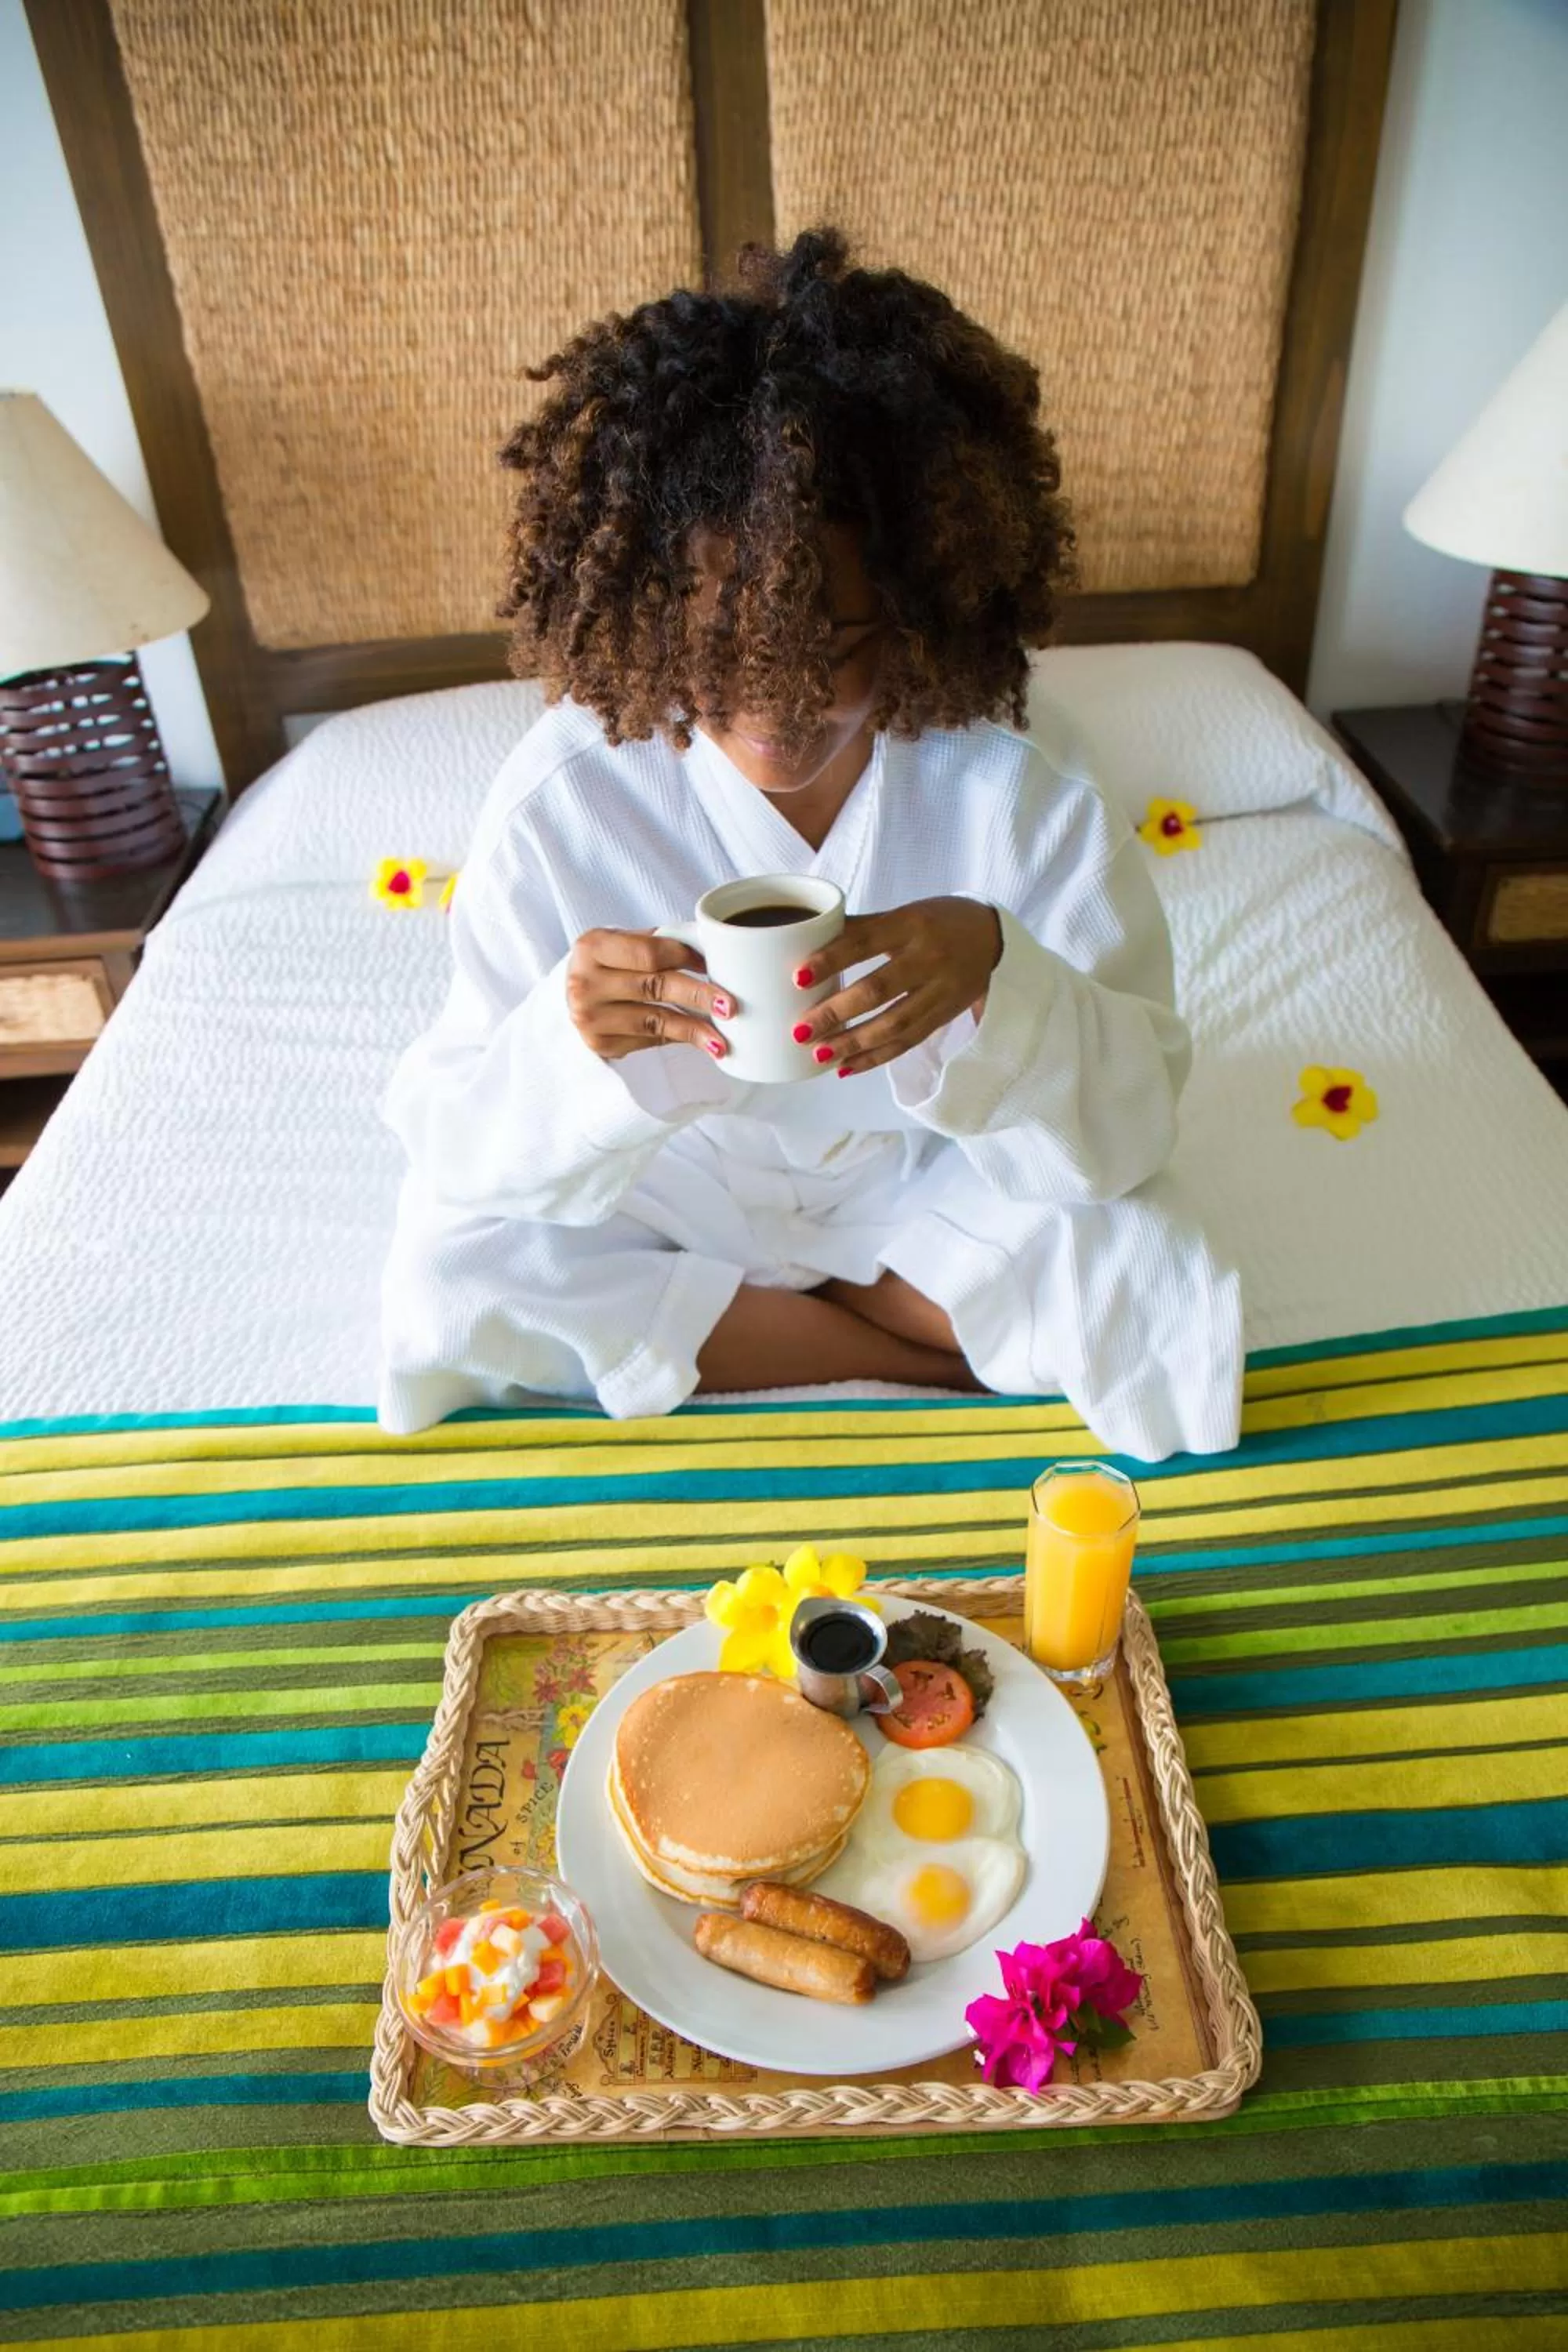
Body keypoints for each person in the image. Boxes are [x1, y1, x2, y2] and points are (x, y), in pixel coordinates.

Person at [377, 227, 1241, 1460]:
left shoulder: (1018, 786)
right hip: (674, 1185)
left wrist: (1005, 977)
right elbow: (467, 1144)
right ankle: (901, 1351)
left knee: (1148, 1264)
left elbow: (1133, 1128)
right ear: (645, 614)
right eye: (716, 648)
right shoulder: (567, 801)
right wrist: (575, 1045)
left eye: (830, 642)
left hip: (925, 1172)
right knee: (447, 1279)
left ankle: (761, 1334)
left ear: (923, 601)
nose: (772, 702)